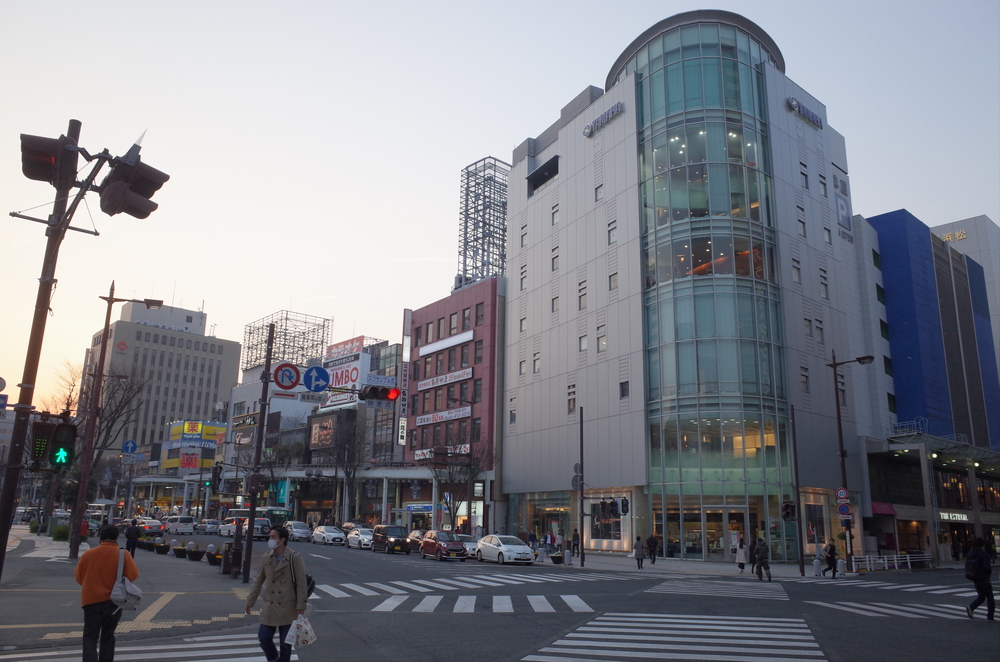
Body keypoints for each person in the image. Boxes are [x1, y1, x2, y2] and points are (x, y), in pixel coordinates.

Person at [75, 524, 139, 662]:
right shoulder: (123, 554)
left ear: (100, 538)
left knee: (90, 637)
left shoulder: (88, 555)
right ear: (116, 538)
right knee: (108, 636)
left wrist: (91, 585)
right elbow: (133, 575)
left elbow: (79, 577)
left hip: (91, 600)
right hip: (114, 601)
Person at [245, 526, 307, 662]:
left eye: (273, 537)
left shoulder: (294, 557)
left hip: (288, 606)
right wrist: (250, 601)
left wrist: (301, 605)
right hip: (270, 605)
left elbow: (301, 583)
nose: (270, 540)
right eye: (270, 537)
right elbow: (258, 581)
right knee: (264, 638)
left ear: (282, 540)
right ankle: (273, 659)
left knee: (286, 644)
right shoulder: (267, 556)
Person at [965, 537, 995, 621]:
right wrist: (988, 575)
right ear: (982, 545)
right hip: (983, 578)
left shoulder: (970, 553)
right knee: (990, 598)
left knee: (981, 596)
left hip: (974, 577)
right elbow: (987, 568)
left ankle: (971, 607)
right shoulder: (984, 555)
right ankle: (990, 616)